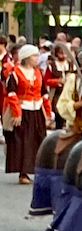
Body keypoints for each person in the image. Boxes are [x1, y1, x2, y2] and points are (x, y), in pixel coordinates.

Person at [5, 44, 53, 184]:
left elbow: (44, 93)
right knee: (23, 142)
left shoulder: (38, 73)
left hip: (36, 110)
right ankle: (23, 173)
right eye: (34, 56)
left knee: (38, 140)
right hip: (23, 111)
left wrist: (48, 114)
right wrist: (17, 113)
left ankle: (38, 170)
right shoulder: (15, 73)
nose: (37, 58)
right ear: (26, 57)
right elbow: (12, 94)